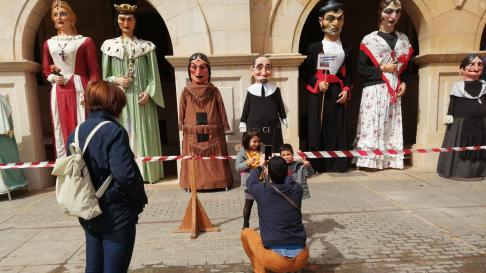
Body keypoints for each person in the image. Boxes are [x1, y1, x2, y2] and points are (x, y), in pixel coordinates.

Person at [67, 81, 147, 273]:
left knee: (93, 269)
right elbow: (125, 175)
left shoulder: (75, 132)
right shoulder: (113, 131)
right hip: (115, 214)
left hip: (88, 210)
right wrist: (139, 198)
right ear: (114, 104)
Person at [101, 3, 165, 183]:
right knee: (124, 133)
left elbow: (154, 76)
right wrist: (116, 80)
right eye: (122, 18)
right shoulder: (109, 47)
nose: (126, 22)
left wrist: (149, 92)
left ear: (135, 21)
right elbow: (104, 76)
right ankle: (125, 173)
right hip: (120, 100)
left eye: (129, 19)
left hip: (141, 100)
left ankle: (146, 172)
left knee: (143, 132)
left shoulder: (146, 47)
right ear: (117, 21)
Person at [354, 0, 413, 169]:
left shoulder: (403, 39)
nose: (393, 16)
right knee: (372, 123)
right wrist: (382, 68)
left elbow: (406, 67)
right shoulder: (369, 39)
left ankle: (389, 160)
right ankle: (369, 161)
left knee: (392, 122)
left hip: (394, 88)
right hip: (374, 88)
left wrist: (404, 82)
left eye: (397, 12)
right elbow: (360, 68)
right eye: (388, 11)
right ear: (380, 13)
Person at [42, 0, 100, 158]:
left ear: (72, 17)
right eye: (55, 14)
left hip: (80, 90)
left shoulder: (84, 41)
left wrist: (89, 95)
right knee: (61, 128)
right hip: (59, 92)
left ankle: (88, 168)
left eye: (63, 13)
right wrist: (53, 77)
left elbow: (94, 72)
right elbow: (46, 70)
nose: (59, 17)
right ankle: (66, 167)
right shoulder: (49, 44)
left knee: (82, 126)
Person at [303, 0, 352, 172]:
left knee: (336, 127)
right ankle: (317, 165)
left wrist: (346, 90)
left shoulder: (346, 48)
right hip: (319, 93)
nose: (335, 24)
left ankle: (337, 165)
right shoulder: (314, 47)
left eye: (339, 19)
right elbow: (306, 73)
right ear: (321, 21)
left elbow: (348, 74)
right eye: (330, 19)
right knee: (318, 126)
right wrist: (317, 83)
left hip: (337, 92)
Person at [241, 156, 309, 273]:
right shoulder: (297, 189)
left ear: (268, 172)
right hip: (301, 258)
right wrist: (276, 169)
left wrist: (260, 166)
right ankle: (294, 269)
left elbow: (250, 181)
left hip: (275, 260)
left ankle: (260, 270)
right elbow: (289, 180)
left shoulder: (262, 190)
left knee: (245, 233)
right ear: (287, 171)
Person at [178, 53, 233, 190]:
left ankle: (219, 182)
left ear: (208, 70)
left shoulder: (214, 91)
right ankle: (192, 182)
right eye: (194, 67)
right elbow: (182, 110)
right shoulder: (186, 91)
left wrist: (224, 124)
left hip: (213, 133)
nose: (198, 72)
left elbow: (221, 108)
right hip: (192, 134)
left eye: (202, 67)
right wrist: (181, 124)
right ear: (189, 70)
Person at [437, 54, 486, 178]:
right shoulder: (458, 87)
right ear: (462, 69)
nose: (476, 67)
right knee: (460, 145)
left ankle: (479, 172)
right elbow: (453, 103)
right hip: (461, 124)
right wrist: (449, 115)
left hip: (481, 123)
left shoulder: (484, 86)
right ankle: (458, 172)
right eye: (472, 64)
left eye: (479, 64)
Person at [240, 56, 287, 153]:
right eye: (259, 67)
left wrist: (284, 117)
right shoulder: (251, 90)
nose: (264, 72)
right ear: (252, 70)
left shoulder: (275, 90)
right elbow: (246, 108)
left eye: (268, 68)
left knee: (272, 152)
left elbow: (280, 105)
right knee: (256, 153)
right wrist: (243, 122)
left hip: (273, 130)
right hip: (254, 130)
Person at [0, 94, 28, 197]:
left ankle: (9, 186)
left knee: (5, 160)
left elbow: (5, 122)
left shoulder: (1, 98)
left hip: (4, 137)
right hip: (5, 135)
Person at [235, 131, 265, 229]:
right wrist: (247, 162)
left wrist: (266, 161)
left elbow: (269, 161)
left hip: (262, 181)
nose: (257, 144)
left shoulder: (263, 149)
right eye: (254, 141)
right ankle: (246, 224)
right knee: (248, 204)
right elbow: (238, 167)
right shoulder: (242, 152)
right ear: (247, 141)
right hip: (249, 183)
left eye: (258, 141)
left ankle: (265, 224)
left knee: (263, 204)